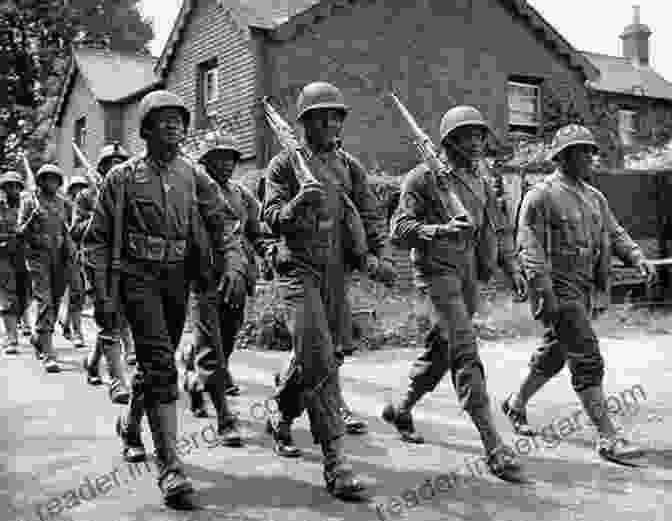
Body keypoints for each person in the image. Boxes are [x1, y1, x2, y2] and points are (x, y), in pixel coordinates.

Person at [85, 90, 247, 509]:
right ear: (146, 129)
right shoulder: (121, 178)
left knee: (159, 362)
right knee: (160, 364)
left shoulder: (194, 175)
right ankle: (171, 467)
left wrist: (232, 265)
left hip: (178, 278)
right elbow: (98, 241)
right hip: (137, 277)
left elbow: (223, 222)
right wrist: (103, 296)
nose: (173, 126)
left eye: (179, 120)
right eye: (164, 120)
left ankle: (131, 428)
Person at [261, 81, 393, 500]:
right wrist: (298, 202)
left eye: (336, 116)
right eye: (321, 116)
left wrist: (377, 254)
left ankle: (281, 417)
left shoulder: (349, 166)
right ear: (303, 123)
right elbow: (269, 218)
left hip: (334, 270)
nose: (330, 123)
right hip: (297, 270)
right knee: (318, 354)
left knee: (327, 355)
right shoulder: (283, 165)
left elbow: (369, 212)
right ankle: (336, 459)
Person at [383, 105, 528, 483]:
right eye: (468, 136)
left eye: (481, 135)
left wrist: (512, 268)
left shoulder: (482, 179)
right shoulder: (423, 178)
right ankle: (493, 444)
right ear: (449, 141)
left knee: (441, 350)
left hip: (466, 277)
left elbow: (498, 229)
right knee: (464, 347)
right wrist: (440, 230)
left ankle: (401, 408)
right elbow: (398, 229)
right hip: (435, 273)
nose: (478, 143)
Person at [502, 123, 657, 462]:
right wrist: (542, 292)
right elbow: (528, 247)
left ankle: (515, 404)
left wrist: (636, 256)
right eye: (582, 150)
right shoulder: (540, 196)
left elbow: (615, 233)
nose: (590, 156)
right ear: (563, 156)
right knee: (586, 356)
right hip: (558, 291)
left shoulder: (594, 197)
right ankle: (608, 437)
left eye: (591, 150)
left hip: (585, 290)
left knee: (556, 353)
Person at [179, 130, 265, 445]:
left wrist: (268, 249)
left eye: (231, 158)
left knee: (226, 343)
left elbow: (256, 230)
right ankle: (225, 417)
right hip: (205, 277)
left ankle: (192, 376)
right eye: (219, 158)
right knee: (212, 347)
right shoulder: (194, 192)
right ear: (206, 162)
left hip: (238, 278)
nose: (227, 164)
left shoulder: (242, 195)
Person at [72, 144, 135, 401]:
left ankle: (93, 361)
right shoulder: (86, 196)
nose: (115, 168)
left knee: (118, 319)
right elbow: (75, 230)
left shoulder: (132, 193)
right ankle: (118, 381)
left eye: (119, 163)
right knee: (108, 316)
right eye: (110, 163)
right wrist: (101, 211)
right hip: (98, 263)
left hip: (128, 263)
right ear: (101, 168)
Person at [17, 163, 74, 373]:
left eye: (55, 179)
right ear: (40, 181)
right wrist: (32, 218)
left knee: (57, 300)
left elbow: (68, 230)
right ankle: (49, 352)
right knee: (45, 302)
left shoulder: (64, 203)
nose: (51, 183)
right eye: (47, 179)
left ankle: (38, 336)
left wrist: (71, 253)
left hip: (59, 258)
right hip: (37, 258)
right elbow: (19, 232)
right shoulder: (29, 202)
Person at [0, 171, 30, 354]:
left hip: (25, 256)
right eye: (7, 186)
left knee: (23, 295)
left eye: (15, 186)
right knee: (7, 297)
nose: (12, 189)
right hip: (3, 257)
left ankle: (20, 322)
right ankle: (11, 337)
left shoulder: (28, 206)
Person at [60, 174, 90, 348]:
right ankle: (71, 327)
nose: (79, 191)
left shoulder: (90, 207)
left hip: (84, 255)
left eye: (82, 187)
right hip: (65, 255)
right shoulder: (64, 206)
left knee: (78, 294)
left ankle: (71, 326)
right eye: (76, 188)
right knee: (68, 294)